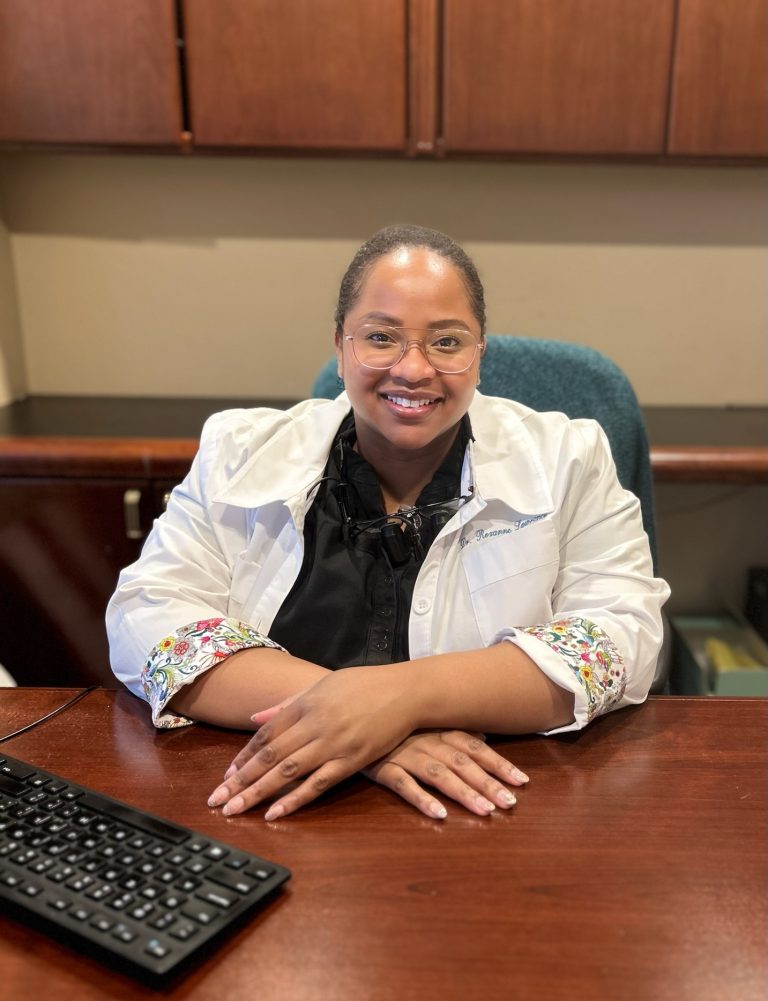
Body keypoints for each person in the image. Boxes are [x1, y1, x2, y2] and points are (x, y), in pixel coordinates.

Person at [107, 224, 669, 823]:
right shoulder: (238, 452)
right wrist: (362, 726)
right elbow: (146, 615)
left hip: (502, 809)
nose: (413, 369)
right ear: (340, 346)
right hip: (285, 804)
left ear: (481, 352)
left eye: (447, 342)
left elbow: (621, 638)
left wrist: (396, 700)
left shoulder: (568, 456)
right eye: (380, 338)